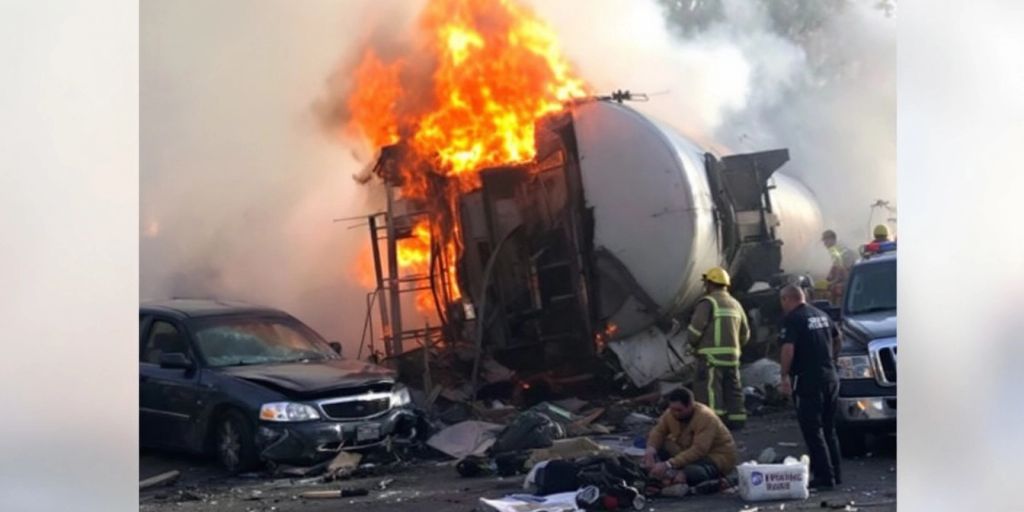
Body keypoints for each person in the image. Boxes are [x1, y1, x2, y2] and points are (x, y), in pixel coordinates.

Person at [777, 284, 843, 490]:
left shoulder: (793, 319)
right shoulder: (821, 314)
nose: (782, 306)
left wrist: (784, 375)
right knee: (829, 428)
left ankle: (824, 478)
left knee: (812, 431)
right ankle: (836, 474)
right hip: (830, 377)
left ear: (788, 299)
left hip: (808, 380)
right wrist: (832, 358)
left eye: (782, 301)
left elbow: (788, 349)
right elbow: (838, 337)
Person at [685, 266, 750, 429]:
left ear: (710, 283)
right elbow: (746, 333)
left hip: (710, 358)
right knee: (733, 389)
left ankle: (714, 423)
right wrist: (735, 348)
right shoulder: (736, 304)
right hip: (732, 357)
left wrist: (692, 344)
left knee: (711, 391)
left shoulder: (708, 303)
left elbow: (695, 331)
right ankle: (738, 419)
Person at [644, 388, 738, 494]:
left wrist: (669, 464)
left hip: (715, 456)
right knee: (659, 446)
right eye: (672, 409)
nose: (675, 414)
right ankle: (665, 475)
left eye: (679, 410)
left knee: (693, 472)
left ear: (690, 405)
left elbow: (699, 450)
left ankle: (679, 476)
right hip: (687, 451)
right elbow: (658, 431)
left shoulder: (705, 417)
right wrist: (650, 449)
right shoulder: (670, 414)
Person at [820, 230, 856, 304]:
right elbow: (835, 268)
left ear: (832, 239)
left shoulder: (837, 251)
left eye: (826, 240)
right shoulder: (836, 250)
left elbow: (842, 272)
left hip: (848, 282)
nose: (824, 243)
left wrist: (831, 283)